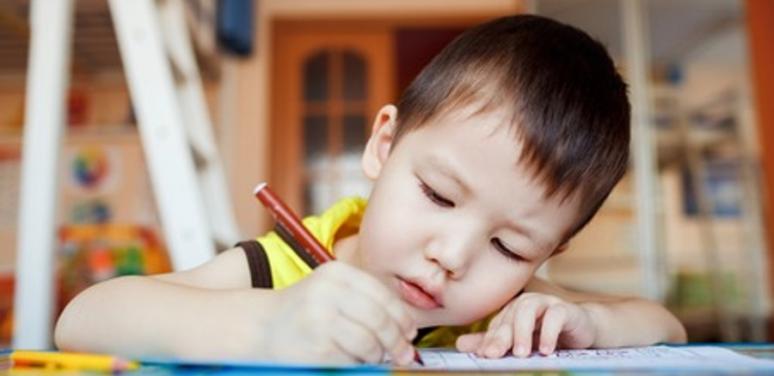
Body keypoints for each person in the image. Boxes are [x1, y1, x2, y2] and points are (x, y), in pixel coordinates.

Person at [55, 14, 687, 366]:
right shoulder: (281, 268)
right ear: (384, 146)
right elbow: (84, 318)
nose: (453, 256)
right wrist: (272, 325)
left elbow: (667, 327)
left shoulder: (503, 307)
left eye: (511, 246)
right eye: (439, 195)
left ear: (551, 251)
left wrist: (587, 322)